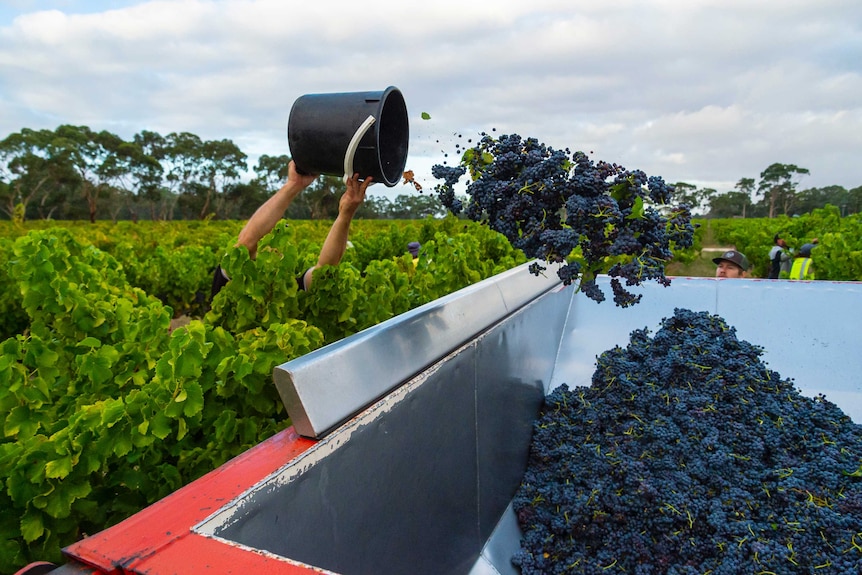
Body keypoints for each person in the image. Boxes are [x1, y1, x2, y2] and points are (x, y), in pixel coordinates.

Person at [210, 161, 372, 299]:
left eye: (280, 243)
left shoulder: (290, 286)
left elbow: (325, 269)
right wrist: (293, 185)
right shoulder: (235, 274)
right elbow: (246, 242)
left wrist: (346, 213)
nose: (275, 249)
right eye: (268, 239)